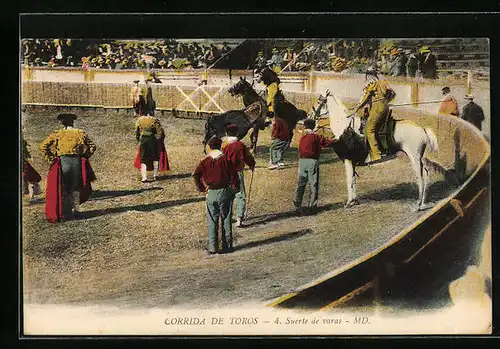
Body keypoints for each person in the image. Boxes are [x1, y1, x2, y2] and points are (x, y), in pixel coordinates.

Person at [40, 113, 96, 222]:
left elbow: (43, 146)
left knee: (63, 187)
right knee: (76, 188)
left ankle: (66, 213)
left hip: (63, 162)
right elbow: (93, 146)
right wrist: (85, 156)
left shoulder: (58, 134)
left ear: (62, 123)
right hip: (77, 162)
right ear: (72, 122)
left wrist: (51, 159)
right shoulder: (80, 133)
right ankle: (76, 211)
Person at [193, 137, 237, 255]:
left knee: (212, 220)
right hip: (224, 192)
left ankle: (213, 247)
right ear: (220, 146)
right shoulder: (226, 159)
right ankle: (227, 246)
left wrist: (202, 188)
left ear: (210, 147)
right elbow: (234, 176)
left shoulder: (205, 161)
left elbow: (196, 174)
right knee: (226, 219)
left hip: (211, 192)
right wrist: (234, 189)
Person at [293, 119, 336, 215]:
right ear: (313, 127)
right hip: (312, 161)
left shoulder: (301, 135)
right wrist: (334, 140)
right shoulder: (315, 136)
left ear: (305, 126)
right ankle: (312, 206)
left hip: (302, 161)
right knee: (313, 184)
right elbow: (325, 142)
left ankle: (297, 204)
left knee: (301, 183)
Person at [353, 68, 394, 163]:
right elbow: (393, 93)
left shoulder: (370, 84)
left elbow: (365, 97)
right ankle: (382, 150)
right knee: (376, 129)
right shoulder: (383, 82)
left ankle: (376, 155)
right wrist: (387, 101)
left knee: (368, 130)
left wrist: (358, 107)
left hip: (377, 108)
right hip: (385, 107)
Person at [222, 124, 256, 228]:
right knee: (240, 194)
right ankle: (239, 218)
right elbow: (247, 156)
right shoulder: (240, 144)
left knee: (227, 195)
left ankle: (226, 216)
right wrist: (252, 164)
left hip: (225, 173)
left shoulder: (223, 144)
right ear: (237, 133)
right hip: (237, 172)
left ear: (227, 133)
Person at [135, 114, 161, 182]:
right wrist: (157, 140)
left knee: (143, 158)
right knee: (155, 157)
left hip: (143, 140)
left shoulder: (139, 120)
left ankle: (144, 177)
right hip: (152, 139)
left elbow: (136, 131)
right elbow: (159, 131)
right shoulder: (154, 119)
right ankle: (155, 176)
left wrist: (138, 139)